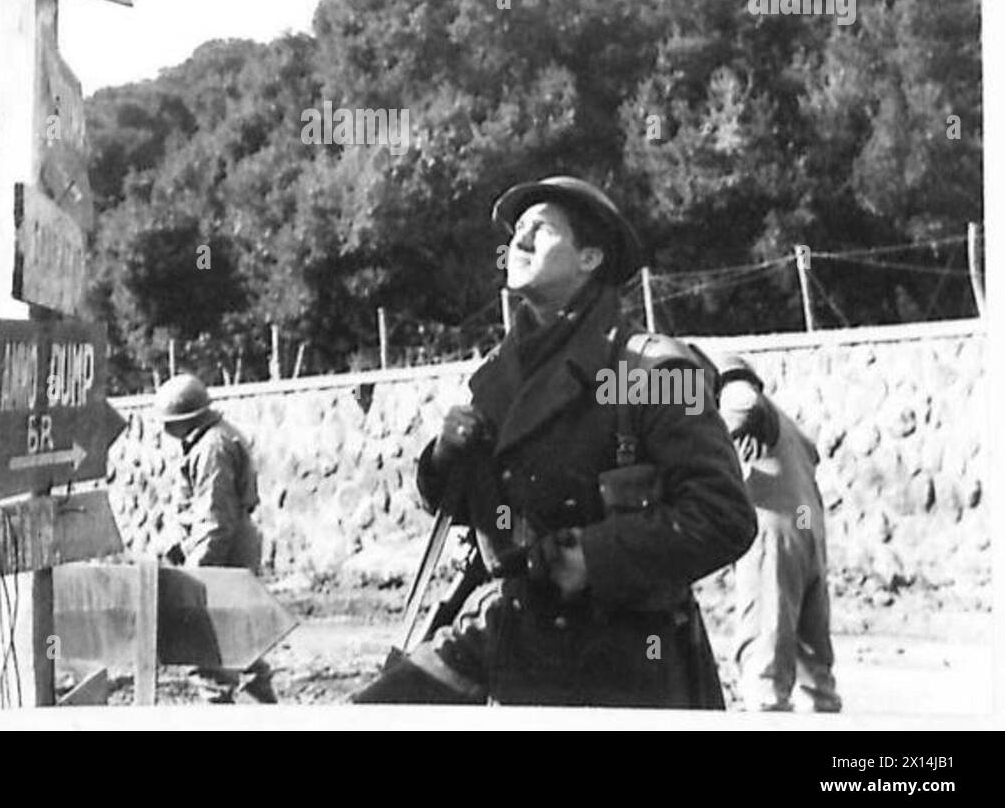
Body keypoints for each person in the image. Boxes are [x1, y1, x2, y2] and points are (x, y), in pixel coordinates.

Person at [353, 175, 757, 706]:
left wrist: (593, 557)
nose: (518, 242)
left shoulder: (648, 368)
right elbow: (451, 502)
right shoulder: (498, 375)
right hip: (514, 633)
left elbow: (723, 516)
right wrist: (444, 457)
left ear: (590, 257)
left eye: (540, 230)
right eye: (517, 231)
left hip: (626, 661)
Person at [716, 353, 842, 712]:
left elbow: (743, 404)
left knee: (765, 667)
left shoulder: (736, 392)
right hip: (807, 527)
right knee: (814, 674)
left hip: (773, 532)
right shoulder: (787, 422)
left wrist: (703, 440)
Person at [156, 373, 276, 703]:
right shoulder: (215, 437)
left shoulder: (211, 447)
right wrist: (179, 545)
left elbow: (215, 522)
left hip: (224, 552)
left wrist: (193, 580)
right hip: (232, 546)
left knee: (206, 652)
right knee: (241, 644)